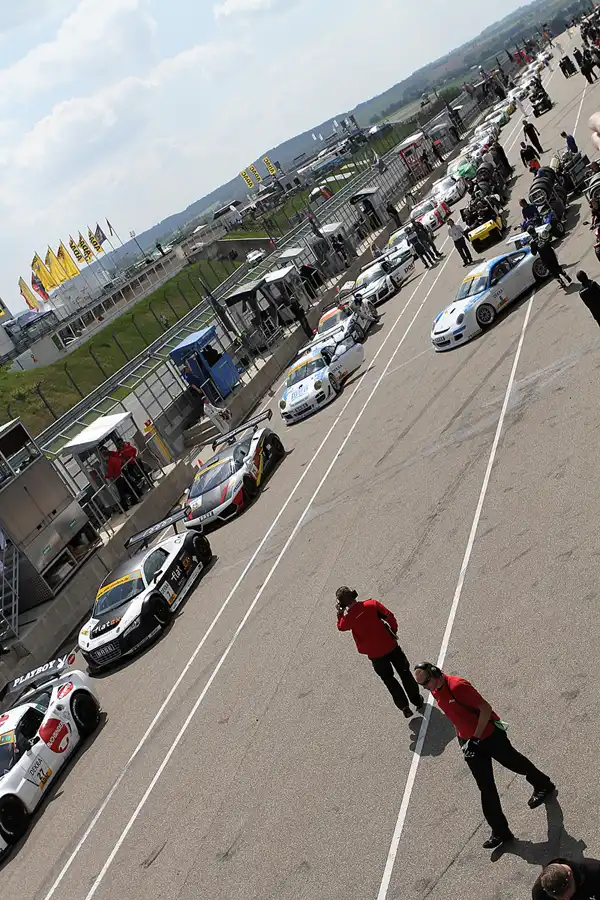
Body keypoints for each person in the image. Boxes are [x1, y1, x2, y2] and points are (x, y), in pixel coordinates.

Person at [414, 662, 555, 850]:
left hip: (489, 736)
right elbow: (455, 715)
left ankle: (543, 784)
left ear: (435, 673)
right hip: (469, 742)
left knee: (515, 763)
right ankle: (500, 831)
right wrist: (464, 741)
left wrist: (476, 737)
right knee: (486, 787)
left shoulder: (457, 686)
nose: (425, 688)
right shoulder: (435, 690)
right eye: (422, 686)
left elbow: (485, 708)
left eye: (426, 683)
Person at [336, 587, 424, 718]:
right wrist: (393, 632)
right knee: (404, 672)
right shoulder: (372, 605)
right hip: (391, 646)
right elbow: (389, 616)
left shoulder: (348, 619)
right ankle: (416, 700)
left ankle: (404, 707)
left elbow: (340, 627)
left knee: (389, 680)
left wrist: (340, 613)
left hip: (375, 655)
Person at [532, 858, 600, 900]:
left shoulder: (595, 873)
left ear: (569, 875)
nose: (567, 899)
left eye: (568, 895)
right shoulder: (539, 894)